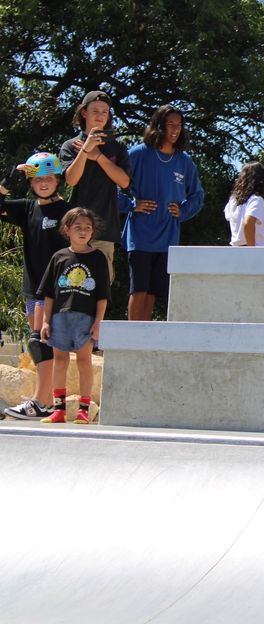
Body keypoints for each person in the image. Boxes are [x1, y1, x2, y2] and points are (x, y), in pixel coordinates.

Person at [0, 153, 71, 420]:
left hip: (55, 288)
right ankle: (48, 400)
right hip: (32, 286)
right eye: (38, 178)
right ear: (31, 182)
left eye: (49, 178)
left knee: (41, 342)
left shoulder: (67, 211)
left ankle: (42, 401)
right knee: (39, 342)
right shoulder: (29, 208)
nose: (43, 183)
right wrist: (12, 176)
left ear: (57, 180)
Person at [121, 104, 205, 321]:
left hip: (168, 236)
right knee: (138, 290)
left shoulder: (184, 161)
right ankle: (132, 340)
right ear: (158, 126)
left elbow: (197, 195)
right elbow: (112, 185)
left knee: (153, 293)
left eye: (179, 125)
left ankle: (145, 341)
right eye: (170, 125)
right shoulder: (138, 154)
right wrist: (132, 204)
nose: (175, 130)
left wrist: (183, 210)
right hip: (140, 235)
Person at [37, 207, 110, 424]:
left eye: (88, 228)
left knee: (84, 360)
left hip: (86, 318)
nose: (83, 231)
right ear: (67, 230)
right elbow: (49, 294)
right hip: (60, 316)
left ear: (93, 232)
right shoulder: (59, 257)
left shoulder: (98, 257)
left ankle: (83, 410)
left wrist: (98, 322)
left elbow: (103, 295)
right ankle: (58, 410)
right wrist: (46, 321)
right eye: (77, 227)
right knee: (59, 360)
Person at [59, 90, 130, 288]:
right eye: (95, 111)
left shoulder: (117, 147)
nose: (99, 116)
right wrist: (85, 150)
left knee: (99, 288)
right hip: (74, 230)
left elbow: (124, 182)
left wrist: (98, 156)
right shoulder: (70, 145)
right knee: (74, 288)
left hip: (105, 229)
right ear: (84, 113)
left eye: (104, 112)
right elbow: (71, 180)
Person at [224, 161, 264, 246]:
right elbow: (248, 222)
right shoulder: (256, 200)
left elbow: (228, 217)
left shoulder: (233, 201)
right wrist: (252, 251)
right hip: (256, 251)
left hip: (237, 250)